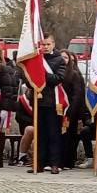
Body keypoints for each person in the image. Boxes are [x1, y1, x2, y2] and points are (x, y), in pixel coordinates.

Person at [31, 34, 67, 174]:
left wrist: (41, 72)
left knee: (53, 134)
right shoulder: (35, 59)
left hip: (53, 102)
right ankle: (39, 162)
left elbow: (57, 79)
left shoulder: (59, 60)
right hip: (38, 101)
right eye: (43, 44)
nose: (45, 47)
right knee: (40, 134)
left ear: (53, 44)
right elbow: (28, 80)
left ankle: (54, 163)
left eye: (47, 44)